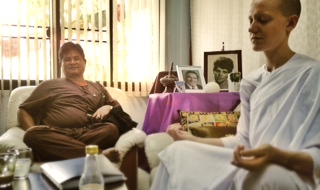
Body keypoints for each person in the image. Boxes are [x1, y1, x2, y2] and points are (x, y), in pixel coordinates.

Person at [151, 0, 320, 189]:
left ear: (291, 23)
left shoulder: (312, 75)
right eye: (250, 20)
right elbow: (243, 142)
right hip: (253, 160)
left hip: (291, 171)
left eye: (263, 20)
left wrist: (276, 155)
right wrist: (193, 139)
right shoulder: (251, 82)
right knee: (177, 152)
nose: (252, 28)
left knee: (263, 174)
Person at [18, 42, 137, 162]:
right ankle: (98, 156)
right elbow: (24, 110)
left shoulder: (98, 87)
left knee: (111, 130)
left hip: (90, 134)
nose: (72, 62)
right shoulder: (49, 85)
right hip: (57, 134)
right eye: (67, 59)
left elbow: (119, 112)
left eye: (76, 58)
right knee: (32, 135)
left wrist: (108, 107)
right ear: (61, 64)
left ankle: (62, 152)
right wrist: (32, 129)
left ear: (84, 62)